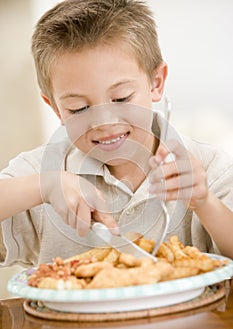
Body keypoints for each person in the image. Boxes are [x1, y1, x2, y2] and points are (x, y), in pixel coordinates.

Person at [1, 0, 233, 267]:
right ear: (55, 108)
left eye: (121, 98)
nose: (103, 122)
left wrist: (205, 203)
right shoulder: (38, 171)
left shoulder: (210, 168)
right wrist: (42, 186)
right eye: (79, 108)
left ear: (156, 83)